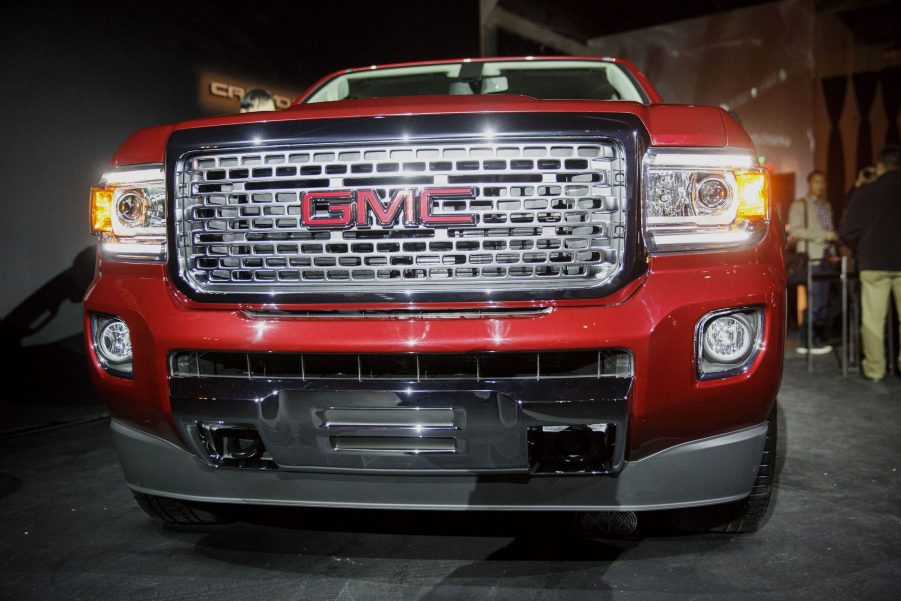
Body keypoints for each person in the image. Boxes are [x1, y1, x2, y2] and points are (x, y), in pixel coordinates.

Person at [839, 145, 901, 381]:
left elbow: (846, 230)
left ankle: (875, 369)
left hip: (874, 261)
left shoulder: (867, 192)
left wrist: (860, 246)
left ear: (880, 166)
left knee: (874, 321)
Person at [787, 170, 839, 355]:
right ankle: (807, 340)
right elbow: (795, 231)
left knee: (823, 301)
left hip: (826, 256)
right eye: (817, 181)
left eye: (823, 182)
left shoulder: (826, 205)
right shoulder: (800, 204)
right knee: (814, 300)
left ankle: (816, 338)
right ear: (809, 184)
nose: (820, 185)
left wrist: (832, 249)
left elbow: (829, 230)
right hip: (811, 257)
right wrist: (824, 235)